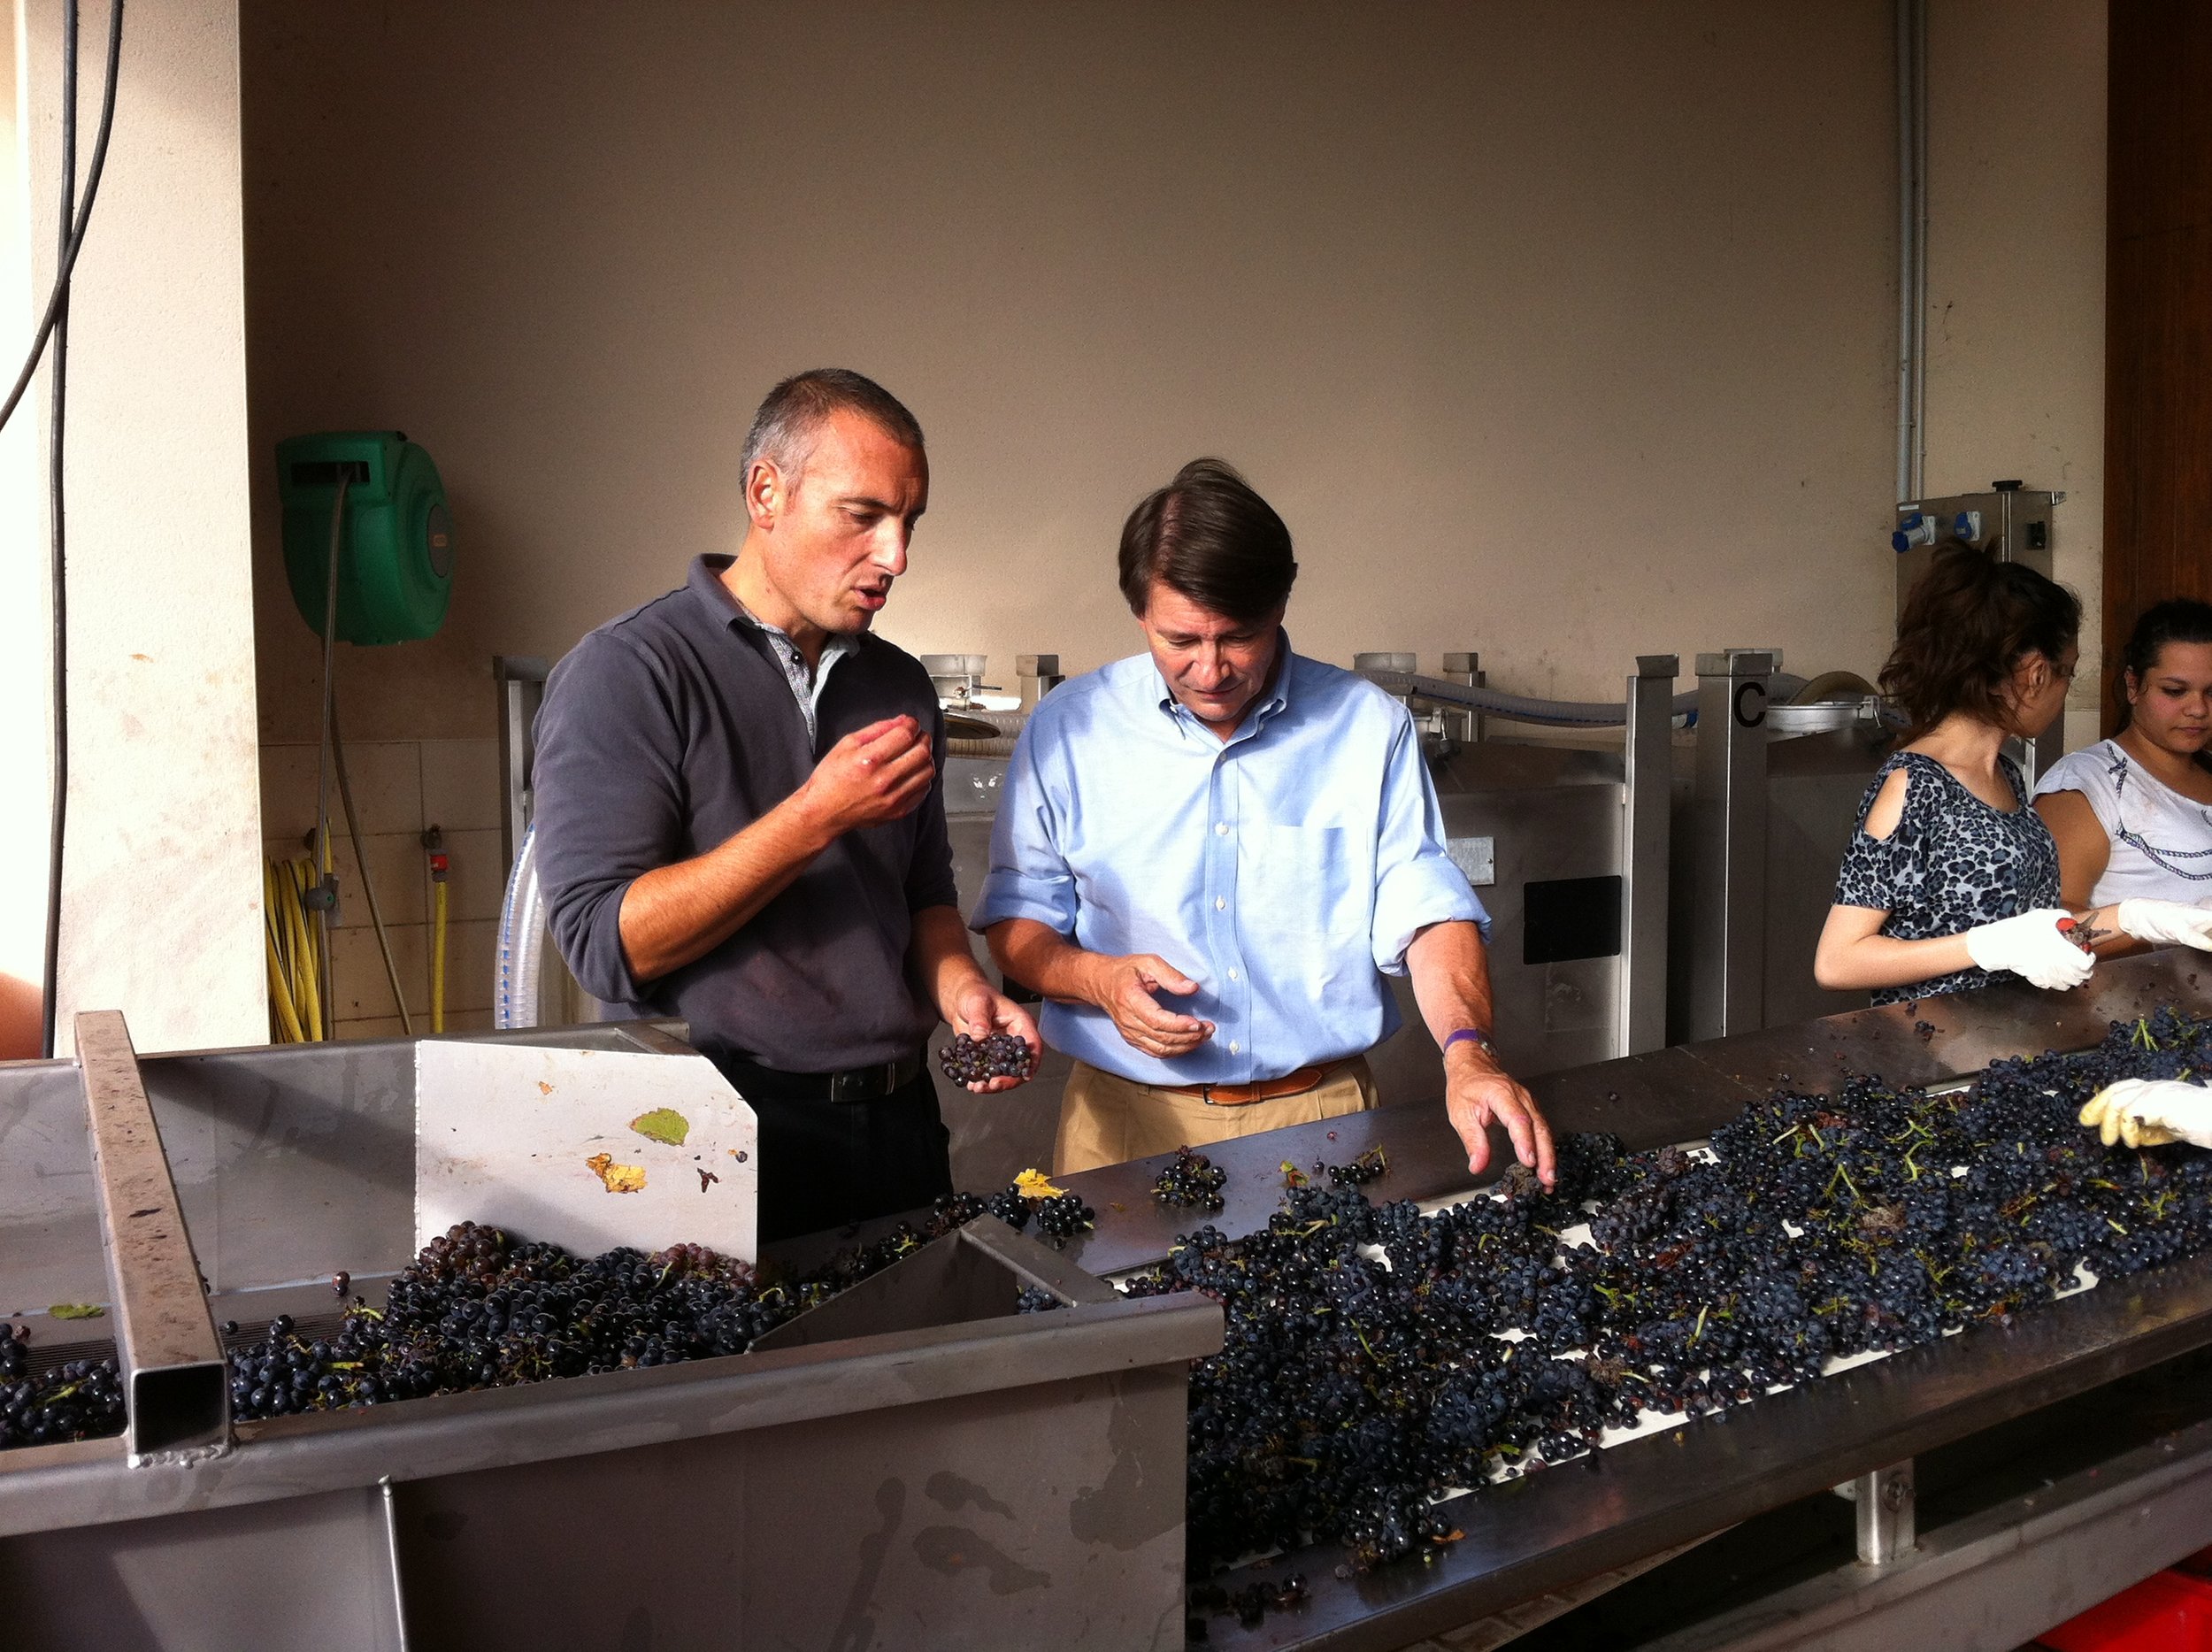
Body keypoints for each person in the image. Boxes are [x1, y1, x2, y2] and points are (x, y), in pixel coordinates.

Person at [531, 369, 1039, 1243]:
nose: (896, 557)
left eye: (909, 522)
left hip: (897, 1130)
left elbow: (921, 894)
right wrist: (817, 815)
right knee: (744, 1384)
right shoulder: (629, 673)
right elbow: (605, 948)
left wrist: (963, 991)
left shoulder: (898, 684)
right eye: (864, 515)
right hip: (709, 1134)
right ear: (767, 492)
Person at [972, 457, 1555, 1186]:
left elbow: (1428, 911)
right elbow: (1019, 923)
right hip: (1123, 1126)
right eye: (1180, 640)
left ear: (1282, 602)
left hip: (1325, 1123)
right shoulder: (1067, 730)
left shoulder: (1367, 728)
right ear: (1139, 613)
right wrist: (1097, 980)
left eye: (1238, 636)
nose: (1210, 669)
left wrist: (1468, 1050)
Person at [1814, 548, 2212, 1005]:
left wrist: (2136, 918)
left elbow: (2040, 935)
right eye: (2067, 672)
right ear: (2036, 674)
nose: (2064, 689)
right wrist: (1986, 946)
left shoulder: (2004, 775)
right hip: (1928, 1050)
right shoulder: (1916, 783)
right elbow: (1838, 960)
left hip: (2009, 1039)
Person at [2035, 599, 2212, 932]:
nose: (2198, 709)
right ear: (2133, 686)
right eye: (2175, 691)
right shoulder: (2085, 784)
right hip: (2136, 983)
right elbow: (2052, 921)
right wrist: (2153, 928)